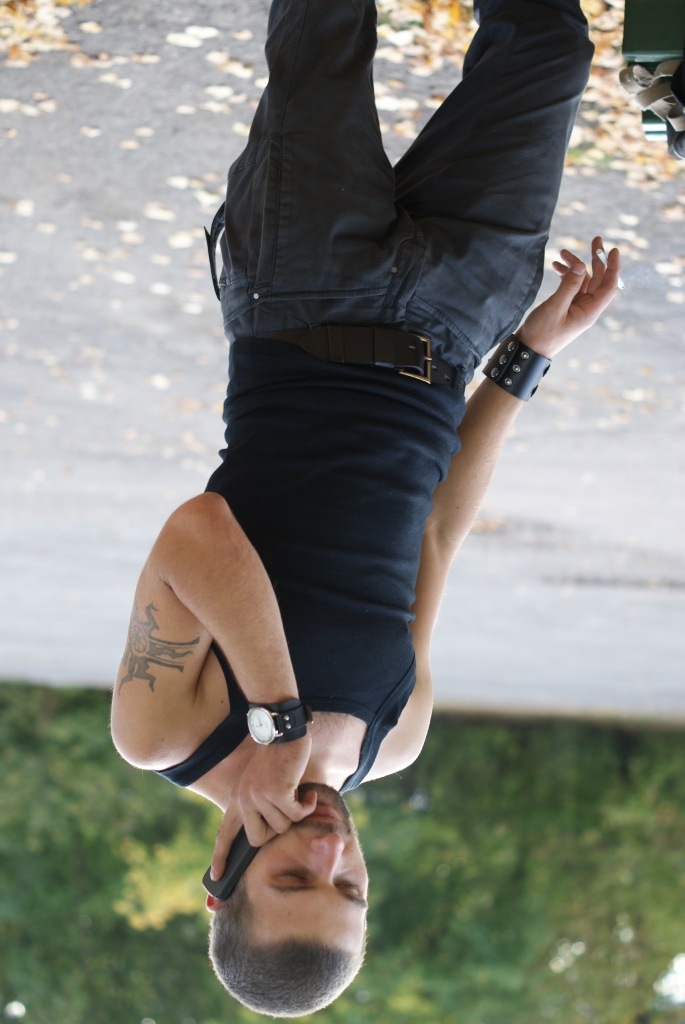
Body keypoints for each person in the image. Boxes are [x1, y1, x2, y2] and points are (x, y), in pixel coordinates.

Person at [111, 0, 621, 1015]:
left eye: (292, 881)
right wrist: (525, 359)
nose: (330, 855)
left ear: (222, 877)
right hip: (458, 321)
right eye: (351, 889)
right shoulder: (395, 740)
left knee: (325, 20)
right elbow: (434, 530)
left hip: (300, 291)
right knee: (549, 45)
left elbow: (195, 534)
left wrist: (277, 724)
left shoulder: (166, 734)